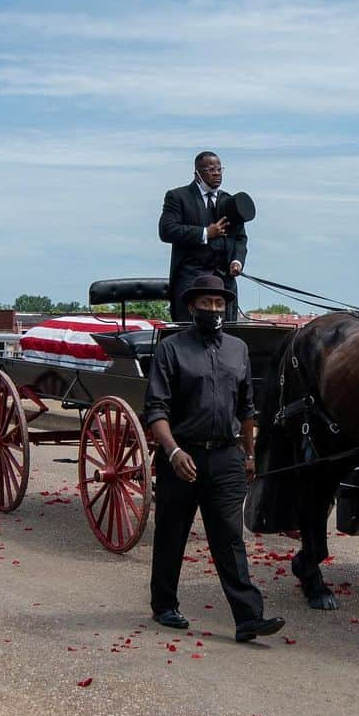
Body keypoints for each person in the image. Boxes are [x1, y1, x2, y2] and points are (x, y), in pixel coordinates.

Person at [143, 273, 284, 642]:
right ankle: (164, 604)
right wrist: (172, 451)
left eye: (219, 304)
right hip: (182, 457)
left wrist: (249, 454)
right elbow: (156, 409)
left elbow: (248, 408)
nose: (213, 309)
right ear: (192, 307)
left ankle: (248, 618)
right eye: (206, 304)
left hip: (225, 458)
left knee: (229, 537)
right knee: (172, 532)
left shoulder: (238, 350)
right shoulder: (171, 349)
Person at [159, 151, 248, 321]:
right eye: (210, 169)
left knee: (227, 332)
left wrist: (237, 261)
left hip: (225, 281)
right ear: (197, 174)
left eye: (219, 169)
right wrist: (206, 232)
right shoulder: (178, 197)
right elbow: (167, 230)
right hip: (192, 279)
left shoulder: (229, 201)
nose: (216, 173)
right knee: (190, 334)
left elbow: (240, 238)